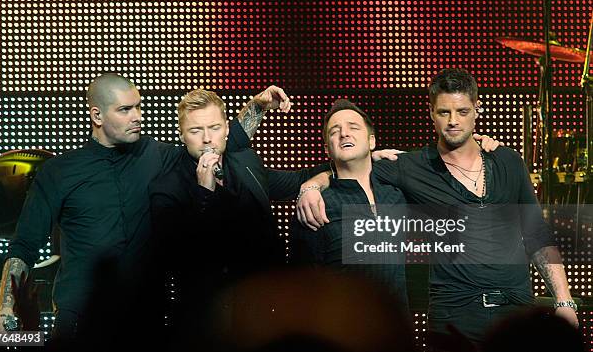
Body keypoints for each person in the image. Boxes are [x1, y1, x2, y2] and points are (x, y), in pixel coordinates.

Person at [297, 69, 578, 345]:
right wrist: (313, 184)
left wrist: (564, 300)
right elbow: (348, 164)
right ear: (431, 112)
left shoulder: (507, 160)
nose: (453, 121)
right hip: (454, 317)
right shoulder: (412, 166)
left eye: (462, 112)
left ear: (477, 110)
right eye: (444, 112)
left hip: (516, 311)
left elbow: (537, 234)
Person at [0, 73, 268, 339]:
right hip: (80, 321)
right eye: (125, 110)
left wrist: (257, 107)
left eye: (138, 107)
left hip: (147, 318)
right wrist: (5, 308)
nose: (137, 117)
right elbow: (24, 245)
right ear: (97, 115)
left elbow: (215, 142)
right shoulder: (59, 172)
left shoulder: (159, 156)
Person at [148, 88, 340, 350]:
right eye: (195, 131)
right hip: (211, 319)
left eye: (214, 128)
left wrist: (354, 165)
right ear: (182, 135)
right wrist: (204, 192)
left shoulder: (245, 161)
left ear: (226, 128)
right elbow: (177, 256)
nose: (207, 139)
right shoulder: (167, 187)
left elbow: (295, 180)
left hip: (266, 305)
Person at [290, 99, 409, 308]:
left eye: (353, 127)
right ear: (327, 149)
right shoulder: (316, 205)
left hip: (397, 334)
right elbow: (303, 287)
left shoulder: (398, 193)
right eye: (335, 131)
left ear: (371, 142)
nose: (344, 133)